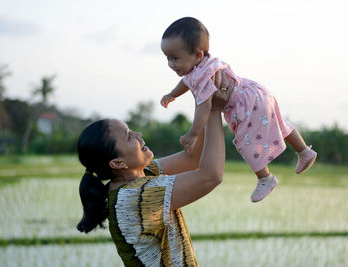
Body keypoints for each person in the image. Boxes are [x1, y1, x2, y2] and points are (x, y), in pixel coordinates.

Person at [76, 72, 233, 266]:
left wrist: (203, 98)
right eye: (128, 136)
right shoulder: (134, 197)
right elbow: (211, 176)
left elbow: (193, 158)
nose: (138, 134)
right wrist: (215, 110)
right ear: (117, 163)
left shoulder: (141, 174)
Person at [160, 17, 317, 203]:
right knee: (279, 122)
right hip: (256, 92)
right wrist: (173, 94)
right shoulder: (206, 65)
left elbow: (205, 107)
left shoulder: (202, 78)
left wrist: (193, 134)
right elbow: (186, 82)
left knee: (245, 141)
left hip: (244, 106)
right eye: (168, 58)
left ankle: (265, 178)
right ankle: (304, 151)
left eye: (175, 58)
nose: (171, 64)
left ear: (198, 55)